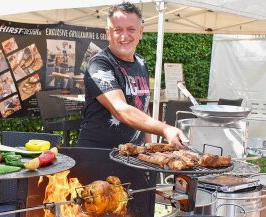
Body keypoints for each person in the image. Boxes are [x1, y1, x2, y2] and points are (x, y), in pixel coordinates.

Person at [77, 1, 187, 149]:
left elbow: (142, 107)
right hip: (99, 156)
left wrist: (150, 148)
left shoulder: (141, 62)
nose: (124, 35)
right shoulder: (99, 64)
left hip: (133, 155)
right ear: (108, 33)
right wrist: (165, 128)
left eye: (131, 29)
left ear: (140, 32)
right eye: (118, 30)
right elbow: (121, 109)